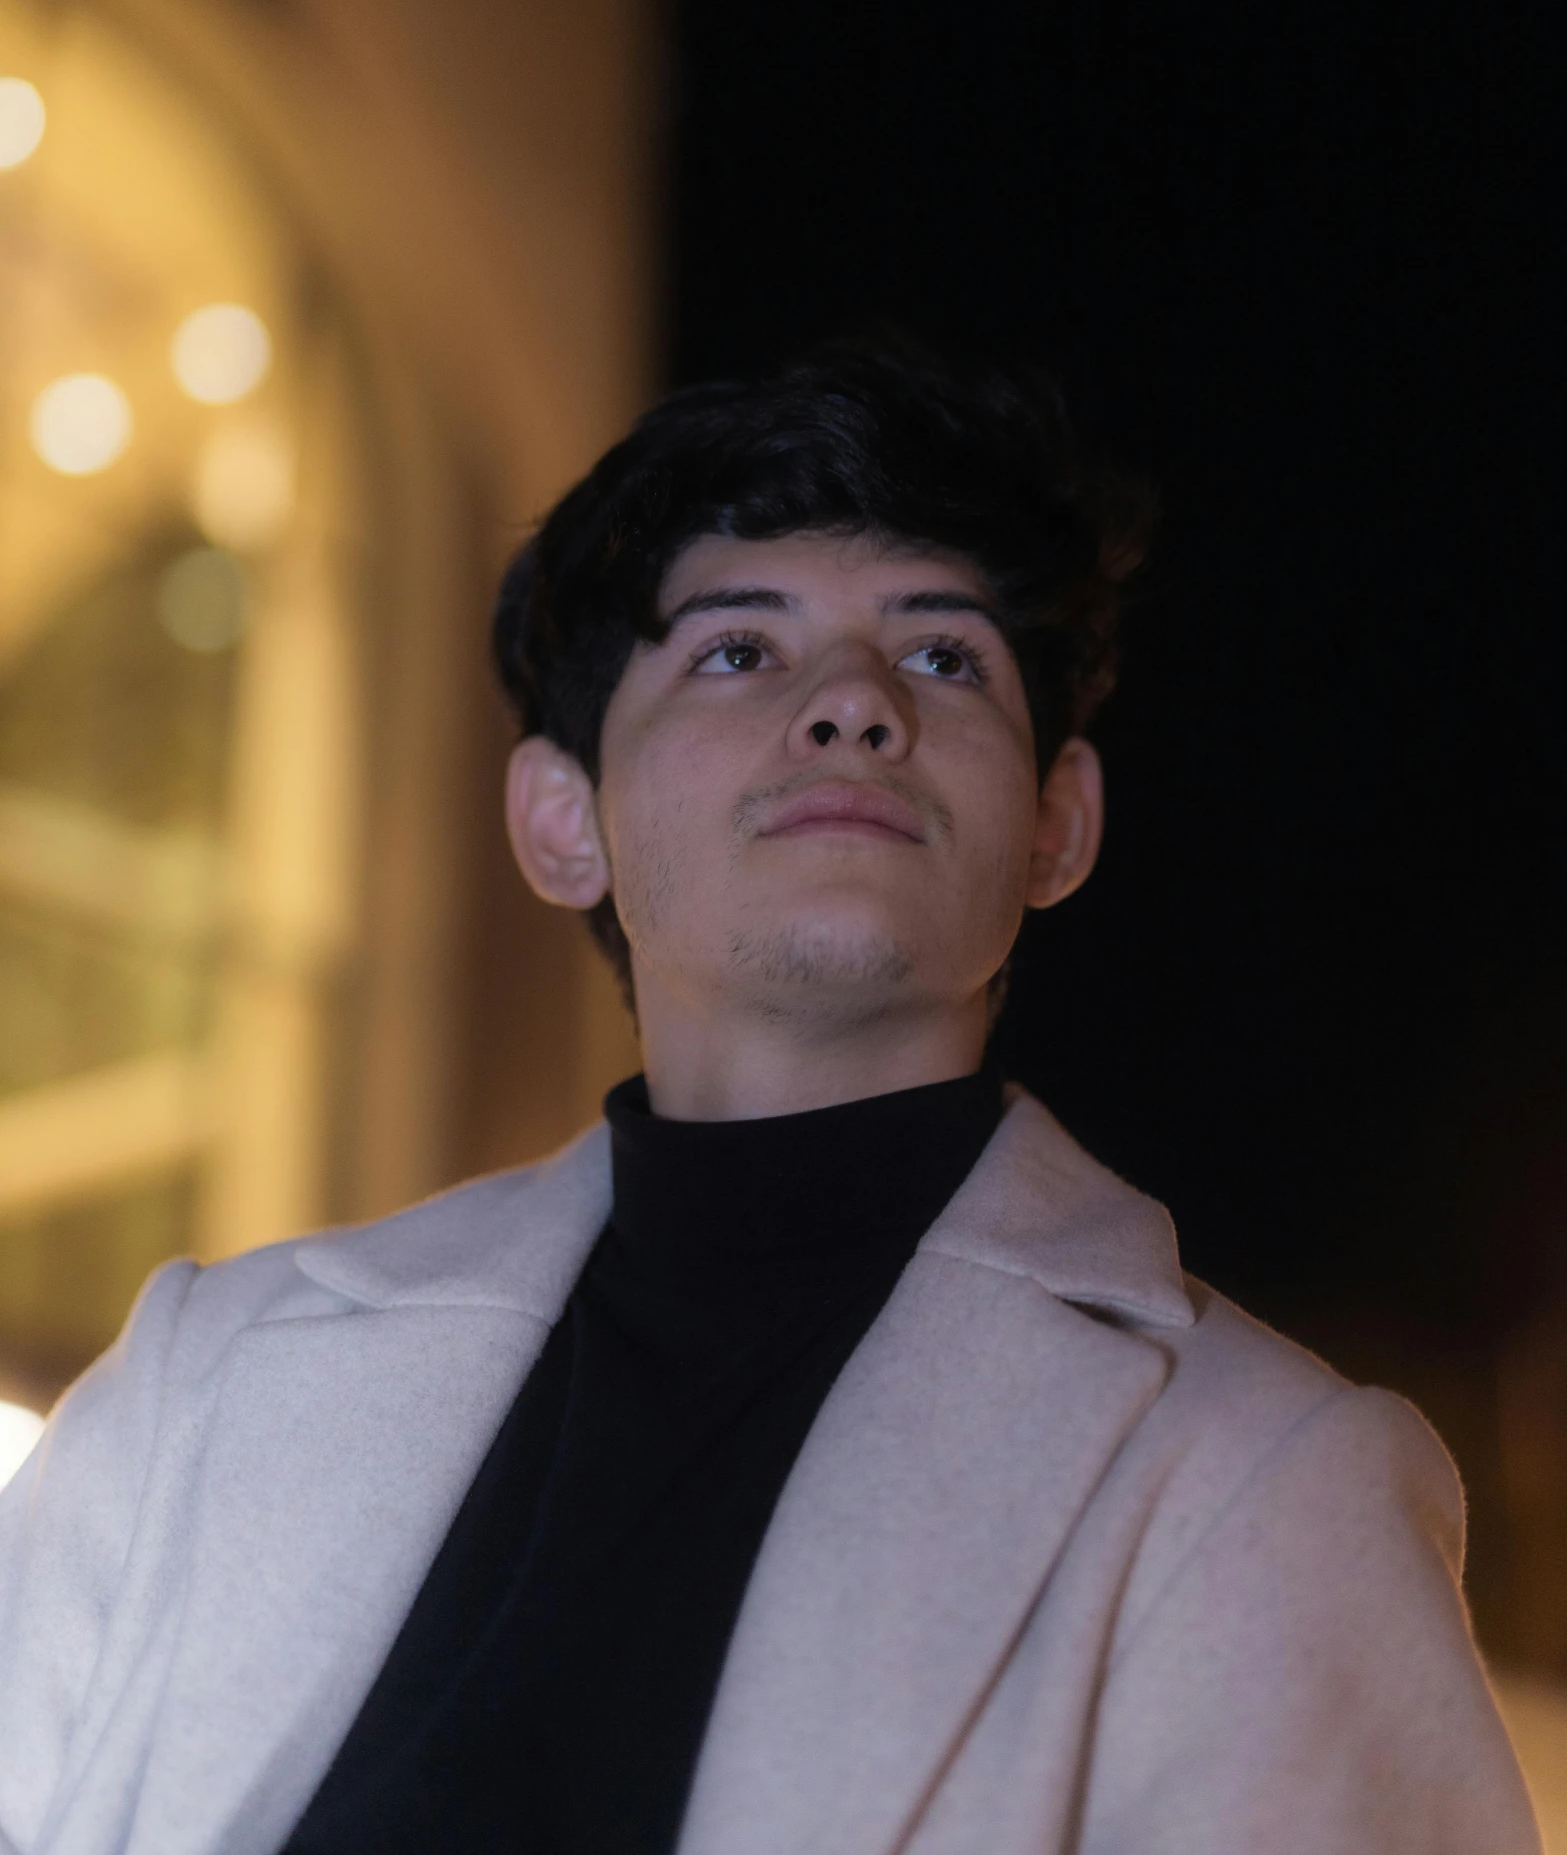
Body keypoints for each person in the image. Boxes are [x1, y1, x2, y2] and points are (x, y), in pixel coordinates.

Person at [0, 346, 1540, 1855]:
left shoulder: (1259, 1479)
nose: (854, 702)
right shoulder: (208, 1384)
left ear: (1056, 826)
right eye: (738, 648)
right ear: (562, 820)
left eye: (944, 657)